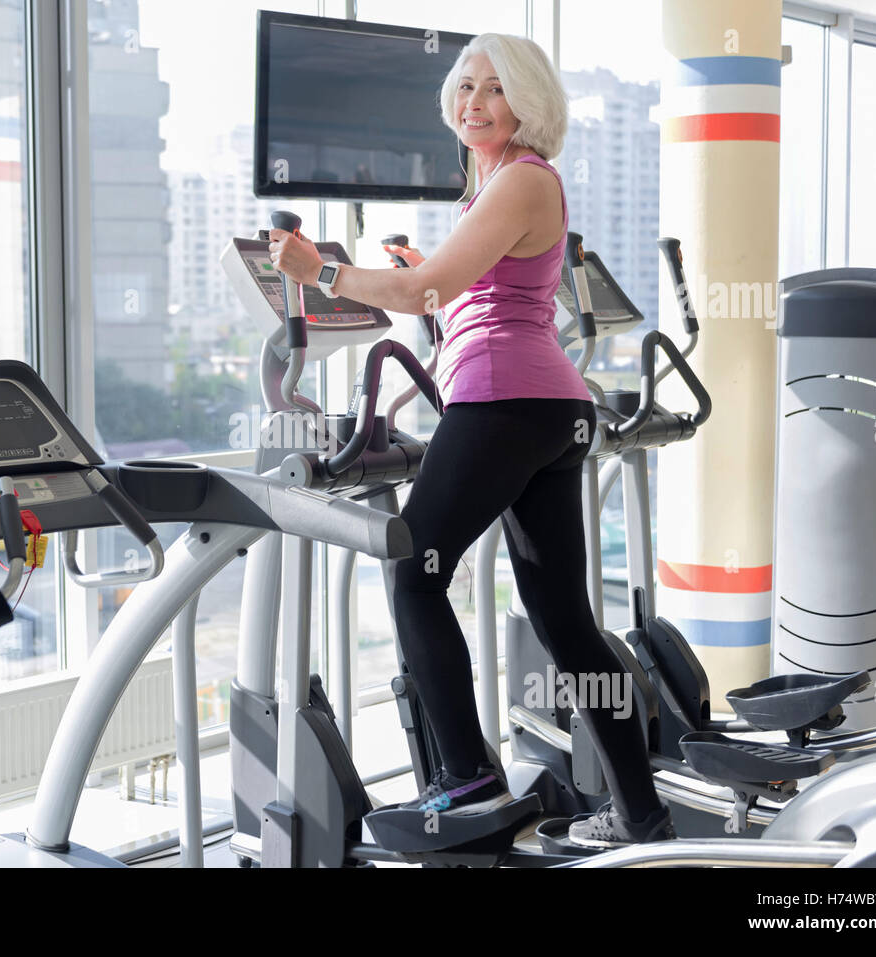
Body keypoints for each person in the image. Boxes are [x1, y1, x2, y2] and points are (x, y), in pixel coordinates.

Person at [269, 33, 674, 848]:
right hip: (544, 412)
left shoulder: (523, 179)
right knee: (564, 620)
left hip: (503, 406)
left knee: (413, 573)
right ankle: (641, 813)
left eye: (494, 89)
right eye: (464, 88)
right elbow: (467, 296)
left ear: (528, 103)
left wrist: (322, 273)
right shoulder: (497, 187)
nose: (474, 103)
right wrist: (428, 280)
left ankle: (466, 778)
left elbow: (426, 291)